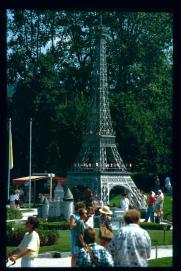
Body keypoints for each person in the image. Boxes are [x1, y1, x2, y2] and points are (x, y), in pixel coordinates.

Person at [69, 202, 86, 267]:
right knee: (74, 255)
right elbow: (71, 225)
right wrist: (78, 223)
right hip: (75, 237)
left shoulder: (80, 216)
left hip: (80, 236)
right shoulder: (73, 216)